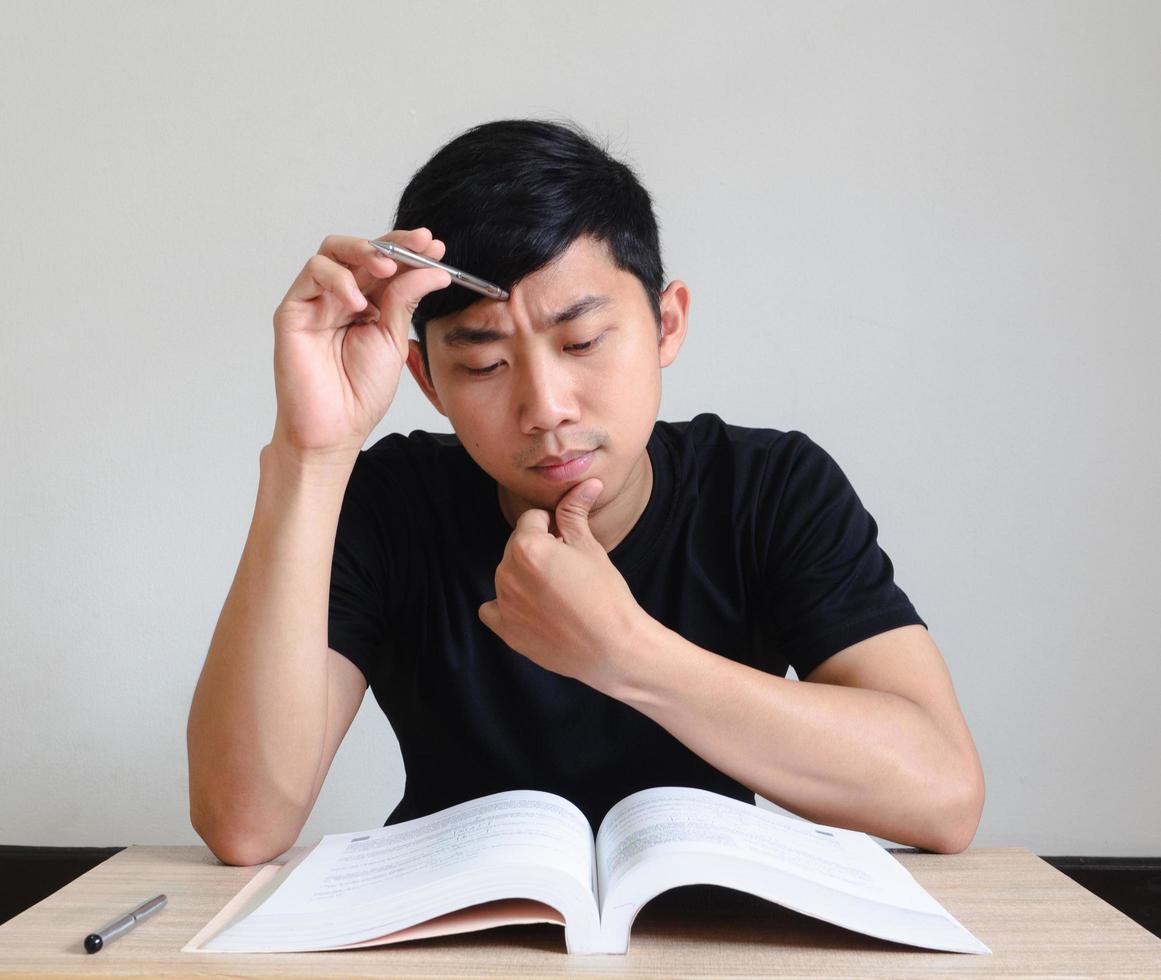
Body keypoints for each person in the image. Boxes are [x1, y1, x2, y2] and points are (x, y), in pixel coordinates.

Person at [187, 119, 984, 867]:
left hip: (712, 933)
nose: (545, 407)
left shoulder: (770, 488)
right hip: (451, 937)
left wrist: (625, 653)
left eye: (582, 342)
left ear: (666, 324)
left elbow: (940, 794)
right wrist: (311, 453)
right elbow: (244, 820)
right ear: (425, 378)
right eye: (484, 364)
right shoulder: (391, 502)